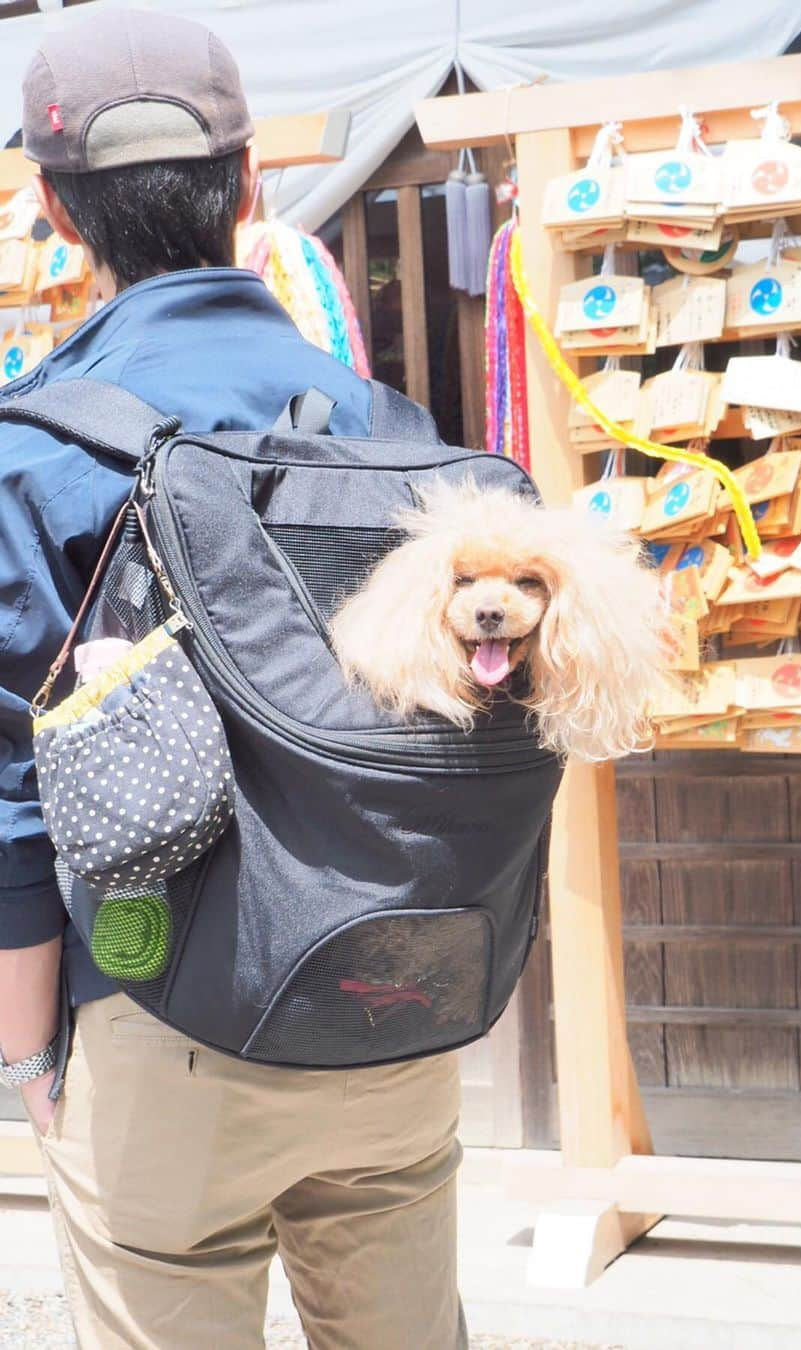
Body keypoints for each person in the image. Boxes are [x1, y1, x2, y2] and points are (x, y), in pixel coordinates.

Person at [0, 10, 465, 1348]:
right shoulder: (388, 430)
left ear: (54, 210)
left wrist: (34, 1060)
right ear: (252, 185)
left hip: (161, 1014)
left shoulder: (32, 452)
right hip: (392, 999)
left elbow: (15, 809)